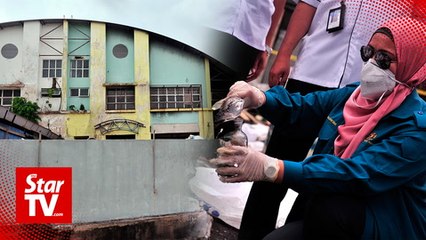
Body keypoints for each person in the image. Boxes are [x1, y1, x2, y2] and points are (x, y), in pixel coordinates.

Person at [211, 17, 426, 239]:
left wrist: (272, 168)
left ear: (412, 63)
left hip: (383, 225)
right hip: (331, 213)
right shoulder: (354, 97)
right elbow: (304, 107)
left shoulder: (417, 129)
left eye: (384, 58)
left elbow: (356, 175)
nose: (371, 63)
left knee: (328, 205)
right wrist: (260, 98)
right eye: (368, 52)